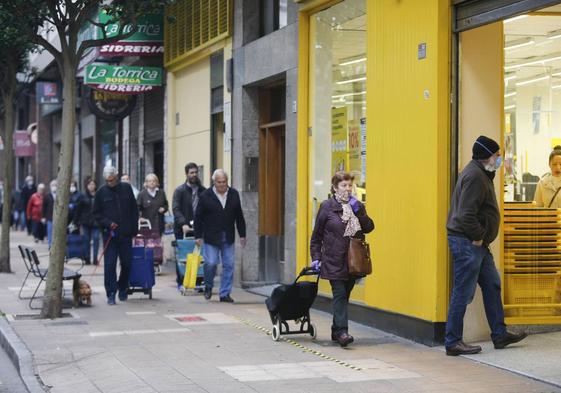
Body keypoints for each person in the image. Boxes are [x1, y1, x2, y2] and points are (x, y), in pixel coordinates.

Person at [446, 135, 527, 356]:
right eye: (497, 155)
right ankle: (453, 341)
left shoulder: (481, 173)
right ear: (486, 156)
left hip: (476, 245)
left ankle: (499, 334)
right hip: (468, 243)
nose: (499, 158)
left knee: (492, 285)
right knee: (462, 292)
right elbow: (465, 214)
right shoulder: (475, 176)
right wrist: (478, 236)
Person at [310, 171, 375, 347]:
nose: (347, 189)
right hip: (333, 260)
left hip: (353, 261)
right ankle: (343, 332)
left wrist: (359, 211)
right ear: (335, 187)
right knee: (339, 294)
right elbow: (316, 236)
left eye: (349, 185)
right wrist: (316, 257)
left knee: (344, 296)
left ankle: (335, 329)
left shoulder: (357, 206)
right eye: (343, 186)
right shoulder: (327, 207)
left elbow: (369, 227)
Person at [194, 169, 246, 303]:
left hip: (228, 235)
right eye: (219, 182)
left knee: (229, 264)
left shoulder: (234, 194)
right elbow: (198, 217)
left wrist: (242, 234)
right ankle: (209, 285)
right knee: (211, 263)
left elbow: (239, 215)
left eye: (224, 182)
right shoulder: (205, 195)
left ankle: (224, 293)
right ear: (214, 182)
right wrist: (198, 236)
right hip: (211, 236)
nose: (222, 185)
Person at [93, 166, 139, 305]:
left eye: (112, 180)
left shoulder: (126, 188)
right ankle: (111, 293)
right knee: (110, 265)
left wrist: (133, 229)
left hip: (126, 234)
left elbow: (134, 210)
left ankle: (123, 287)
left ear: (116, 177)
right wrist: (107, 223)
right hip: (110, 236)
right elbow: (96, 214)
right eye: (107, 181)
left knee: (127, 263)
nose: (110, 183)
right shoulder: (101, 192)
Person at [172, 163, 206, 289]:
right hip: (183, 228)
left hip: (198, 228)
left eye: (196, 172)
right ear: (186, 174)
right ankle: (181, 280)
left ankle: (198, 279)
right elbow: (176, 208)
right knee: (183, 254)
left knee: (199, 253)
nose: (194, 175)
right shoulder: (180, 191)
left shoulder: (203, 190)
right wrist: (183, 223)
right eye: (191, 173)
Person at [75, 178, 100, 265]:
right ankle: (87, 258)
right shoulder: (82, 196)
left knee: (96, 239)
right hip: (85, 222)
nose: (91, 186)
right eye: (90, 184)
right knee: (86, 240)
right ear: (87, 186)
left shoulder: (98, 195)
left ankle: (95, 258)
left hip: (96, 222)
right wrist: (76, 221)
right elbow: (78, 209)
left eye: (93, 184)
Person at [42, 180, 57, 247]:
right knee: (50, 231)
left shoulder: (60, 195)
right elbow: (43, 207)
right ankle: (50, 245)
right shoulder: (47, 196)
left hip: (58, 217)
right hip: (49, 217)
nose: (54, 187)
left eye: (55, 185)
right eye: (52, 185)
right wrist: (43, 217)